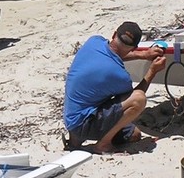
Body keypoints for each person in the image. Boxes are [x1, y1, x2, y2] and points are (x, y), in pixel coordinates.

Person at [62, 21, 167, 153]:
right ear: (134, 48)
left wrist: (143, 55)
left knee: (134, 134)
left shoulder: (94, 41)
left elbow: (113, 53)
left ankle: (75, 141)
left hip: (71, 118)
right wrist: (153, 71)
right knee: (139, 99)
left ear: (114, 34)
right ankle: (103, 145)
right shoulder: (119, 76)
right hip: (83, 123)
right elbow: (135, 96)